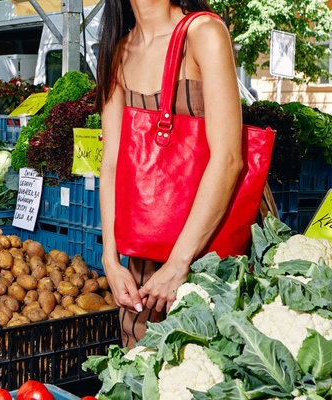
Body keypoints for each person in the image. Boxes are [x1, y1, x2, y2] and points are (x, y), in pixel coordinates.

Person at [96, 0, 243, 349]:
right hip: (147, 248)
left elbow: (229, 159)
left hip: (211, 246)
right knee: (142, 366)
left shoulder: (204, 33)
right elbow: (111, 163)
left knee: (217, 359)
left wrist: (179, 264)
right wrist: (111, 260)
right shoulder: (118, 50)